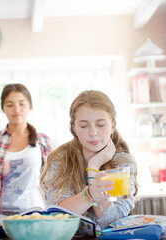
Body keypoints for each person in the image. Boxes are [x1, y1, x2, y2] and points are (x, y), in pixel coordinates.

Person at [40, 90, 138, 230]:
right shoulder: (60, 159)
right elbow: (59, 215)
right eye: (84, 126)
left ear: (113, 126)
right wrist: (91, 193)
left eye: (100, 124)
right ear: (74, 128)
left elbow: (110, 220)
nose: (93, 132)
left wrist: (93, 168)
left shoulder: (122, 162)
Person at [0, 83, 53, 224]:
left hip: (36, 217)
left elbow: (54, 180)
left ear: (30, 106)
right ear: (3, 108)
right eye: (10, 105)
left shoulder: (43, 141)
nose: (16, 109)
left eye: (22, 104)